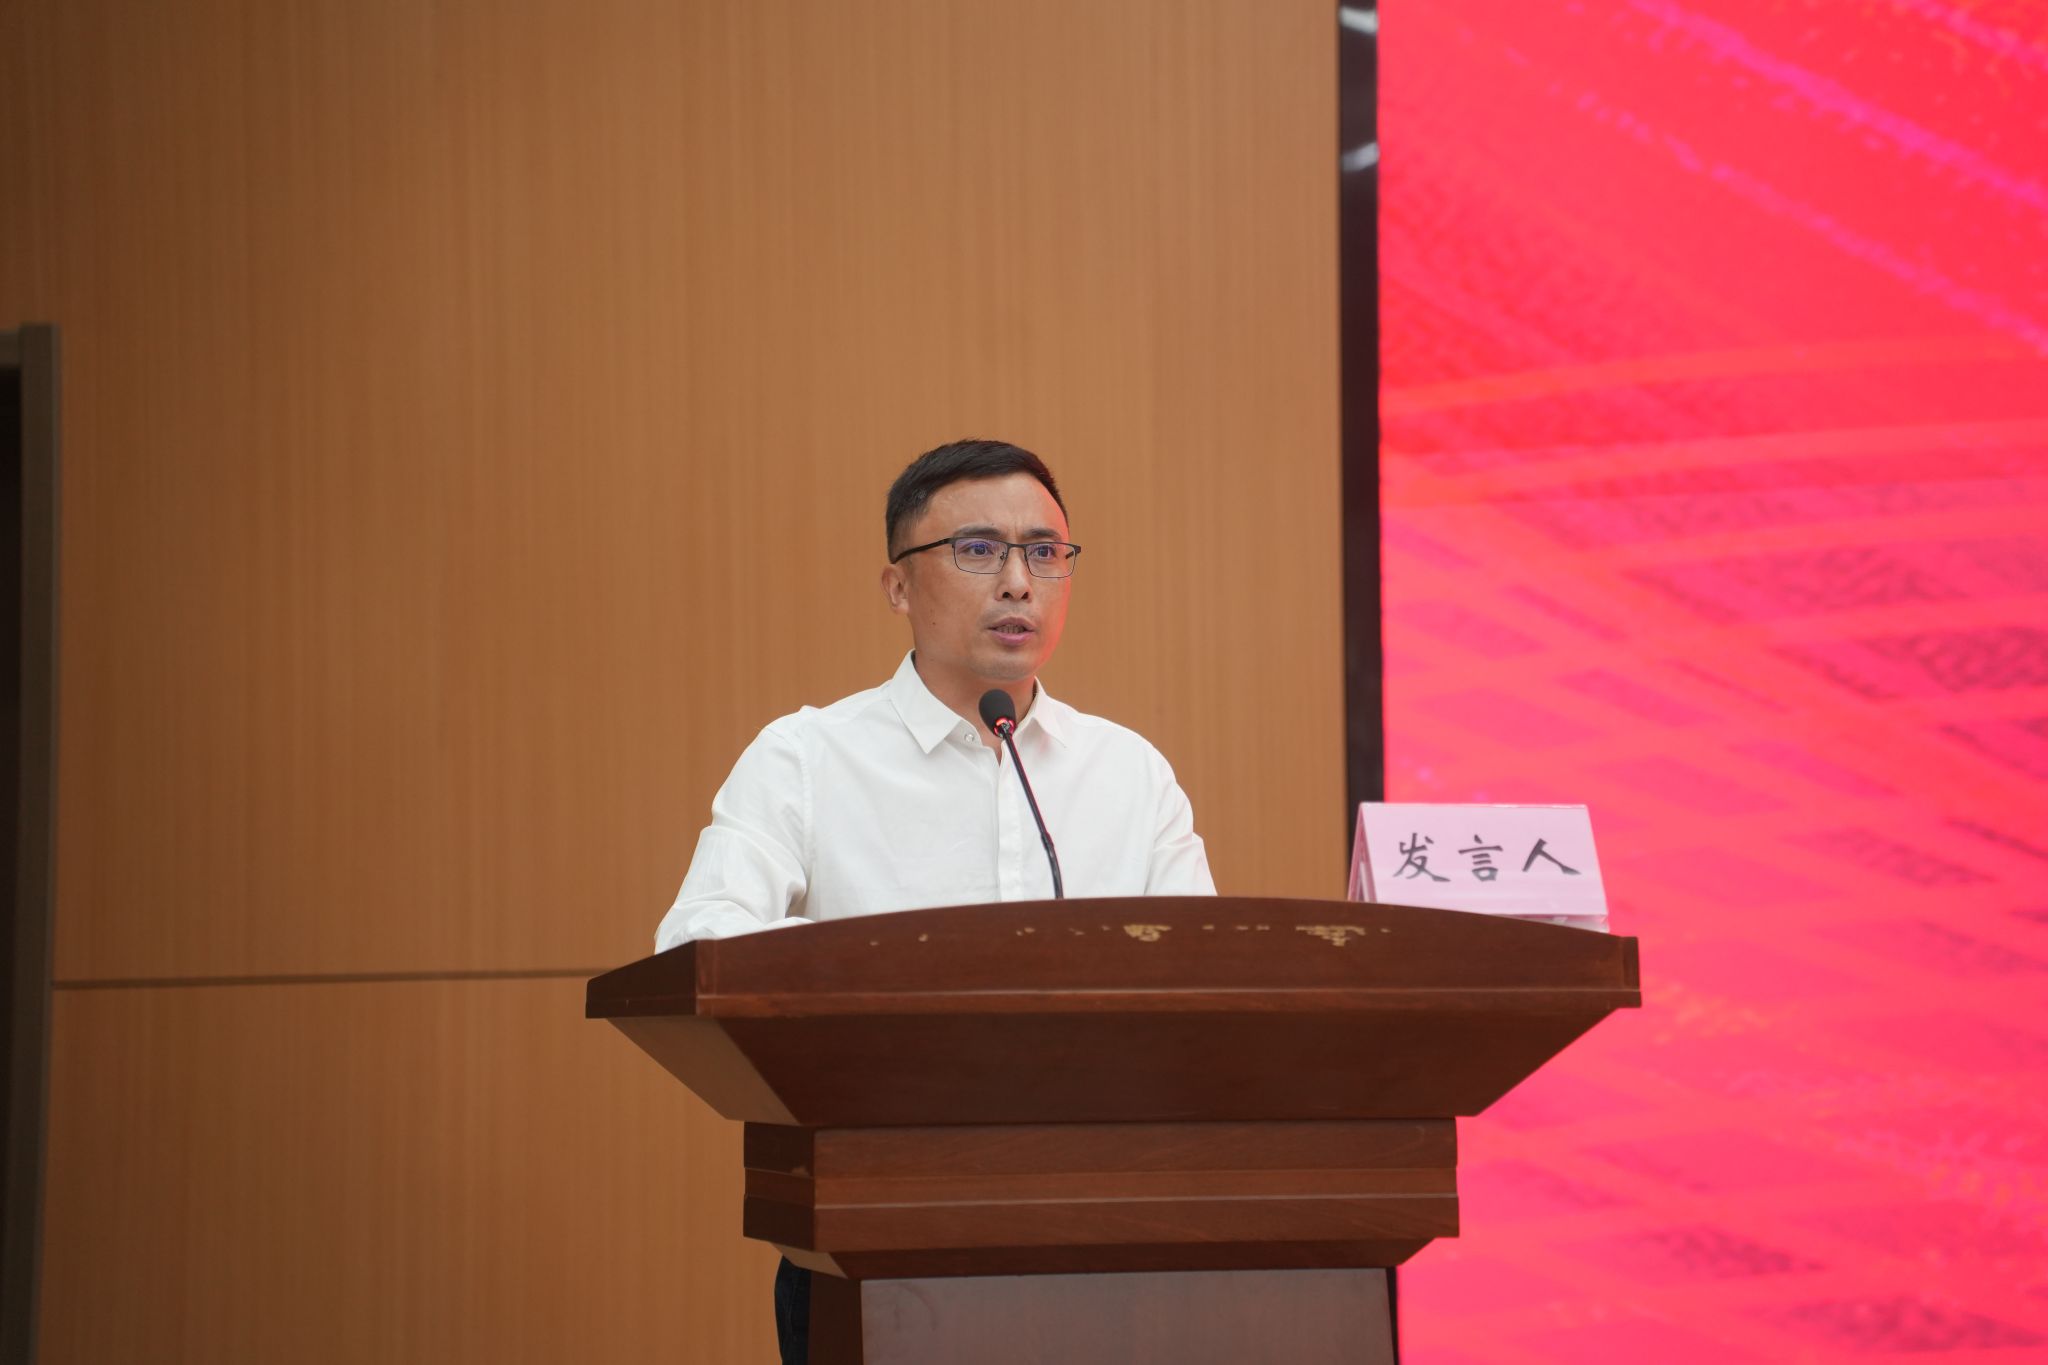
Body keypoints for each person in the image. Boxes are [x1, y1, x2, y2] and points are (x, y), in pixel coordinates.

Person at [654, 438, 1216, 1364]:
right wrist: (888, 979)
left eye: (1044, 552)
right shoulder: (808, 758)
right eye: (978, 549)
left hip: (1112, 1235)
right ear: (898, 586)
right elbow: (699, 942)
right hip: (875, 1237)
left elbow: (1208, 987)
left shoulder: (1128, 772)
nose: (1018, 582)